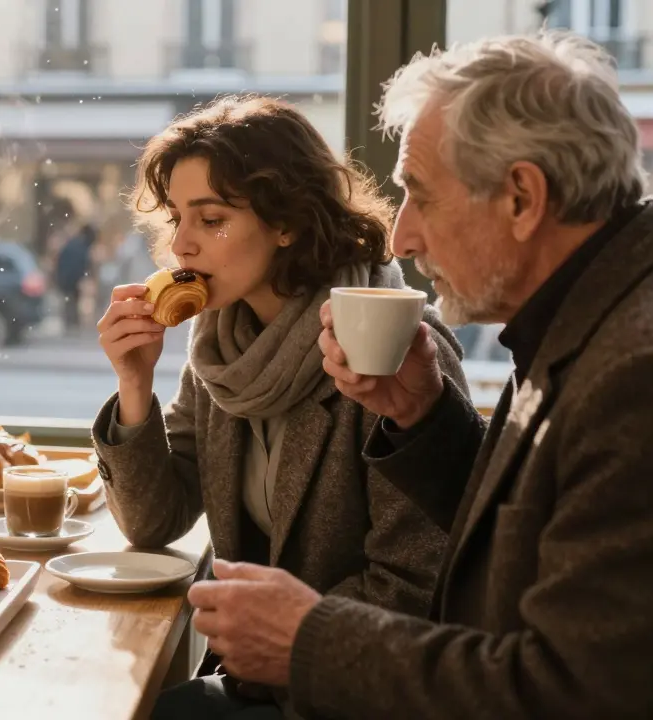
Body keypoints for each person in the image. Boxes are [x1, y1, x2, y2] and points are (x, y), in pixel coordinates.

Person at [190, 30, 653, 719]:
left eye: (420, 196)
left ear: (522, 199)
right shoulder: (586, 319)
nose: (402, 236)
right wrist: (427, 420)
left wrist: (307, 639)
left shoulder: (634, 375)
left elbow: (571, 693)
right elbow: (524, 535)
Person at [91, 95, 469, 718]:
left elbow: (417, 582)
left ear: (285, 223)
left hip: (356, 690)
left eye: (211, 220)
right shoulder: (219, 341)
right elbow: (154, 522)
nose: (181, 246)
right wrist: (135, 385)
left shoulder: (387, 344)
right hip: (254, 677)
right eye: (176, 219)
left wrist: (282, 642)